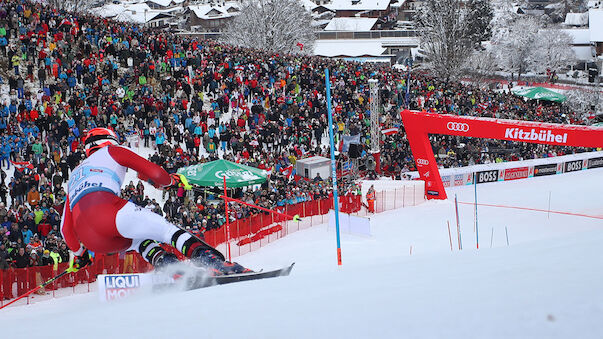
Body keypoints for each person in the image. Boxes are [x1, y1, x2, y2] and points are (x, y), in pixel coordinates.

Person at [61, 128, 250, 275]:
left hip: (92, 240)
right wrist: (172, 181)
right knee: (167, 230)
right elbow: (156, 173)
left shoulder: (74, 175)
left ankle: (171, 269)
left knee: (138, 239)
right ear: (109, 141)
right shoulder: (112, 151)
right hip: (106, 210)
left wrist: (80, 255)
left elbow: (65, 229)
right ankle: (213, 262)